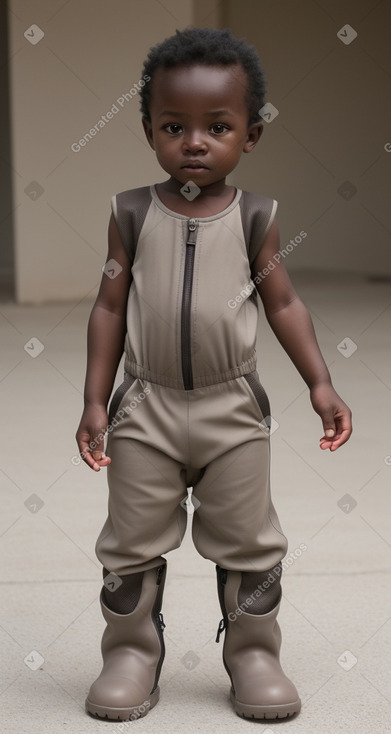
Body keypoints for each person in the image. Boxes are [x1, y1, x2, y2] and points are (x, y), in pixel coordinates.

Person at [75, 26, 352, 723]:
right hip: (146, 405)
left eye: (216, 127)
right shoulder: (130, 214)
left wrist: (319, 383)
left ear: (249, 136)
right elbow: (110, 306)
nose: (193, 142)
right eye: (174, 126)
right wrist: (95, 400)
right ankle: (131, 651)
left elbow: (282, 301)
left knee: (249, 537)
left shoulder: (256, 216)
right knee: (129, 536)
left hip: (233, 408)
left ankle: (254, 652)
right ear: (148, 130)